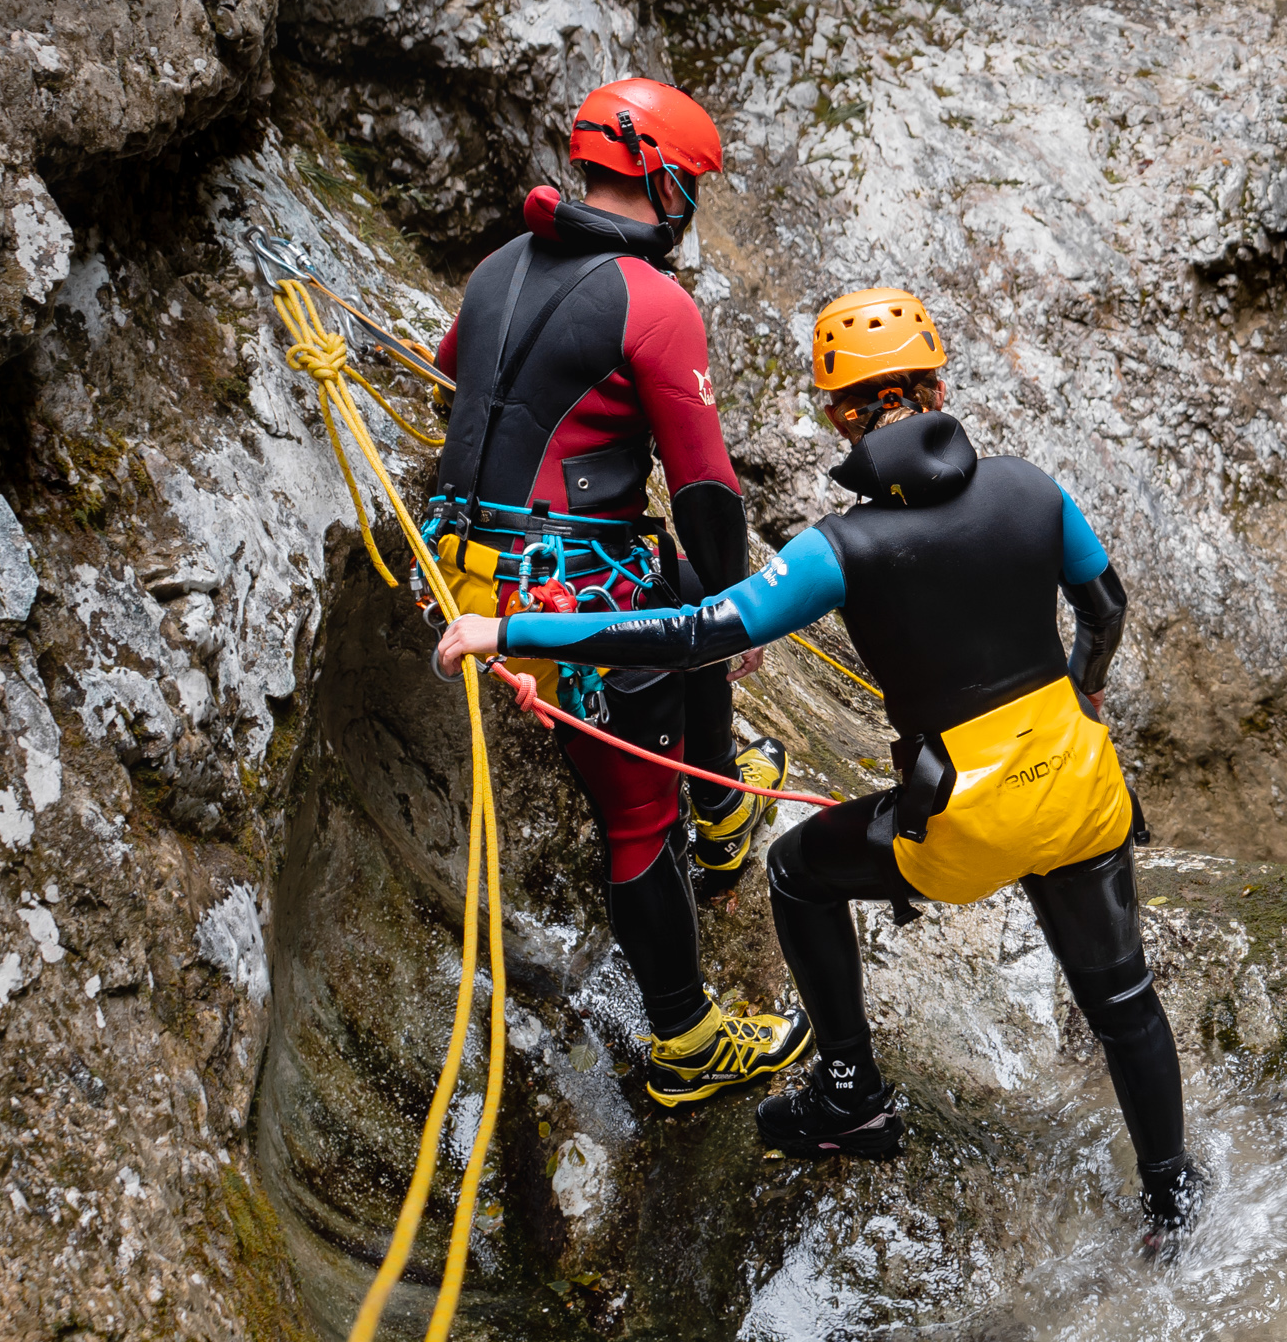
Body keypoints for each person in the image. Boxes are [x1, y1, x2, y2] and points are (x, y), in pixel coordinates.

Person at [433, 288, 1201, 1245]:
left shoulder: (843, 549)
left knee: (796, 872)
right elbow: (1106, 610)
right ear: (938, 385)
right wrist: (1082, 691)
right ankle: (1171, 1198)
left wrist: (509, 624)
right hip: (1083, 789)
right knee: (1121, 997)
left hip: (960, 822)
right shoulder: (1035, 490)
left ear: (839, 414)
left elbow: (693, 632)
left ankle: (851, 1093)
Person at [424, 76, 803, 1110]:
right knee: (639, 816)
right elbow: (705, 488)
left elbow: (458, 371)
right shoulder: (655, 303)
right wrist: (741, 616)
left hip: (467, 567)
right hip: (562, 598)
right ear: (668, 185)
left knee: (678, 591)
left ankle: (722, 800)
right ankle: (686, 1040)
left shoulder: (501, 263)